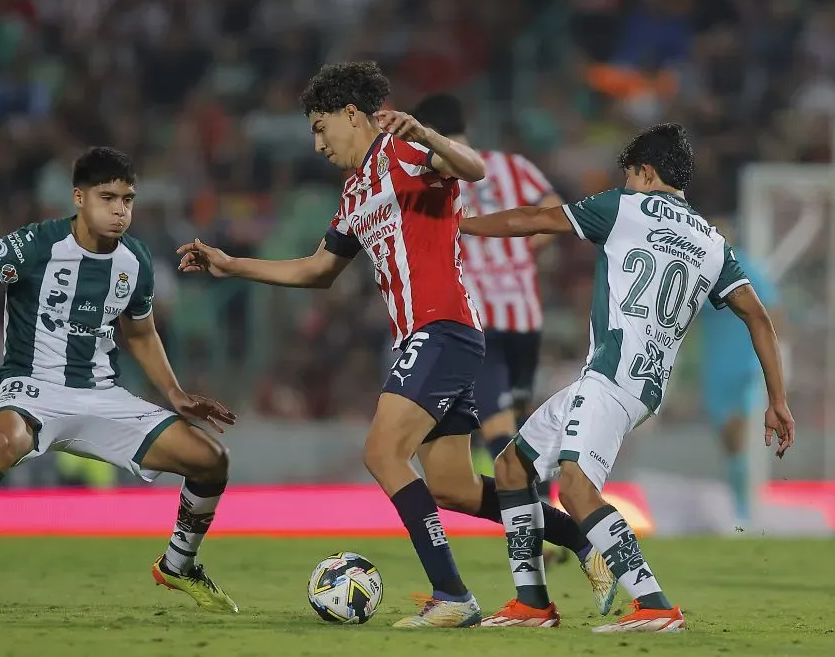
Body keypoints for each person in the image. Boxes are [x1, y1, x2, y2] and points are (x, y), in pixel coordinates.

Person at [176, 61, 616, 628]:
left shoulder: (403, 153)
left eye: (319, 126)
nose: (317, 143)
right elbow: (317, 270)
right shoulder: (355, 192)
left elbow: (474, 168)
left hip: (445, 329)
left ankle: (452, 596)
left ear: (351, 114)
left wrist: (427, 134)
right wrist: (230, 263)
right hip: (434, 339)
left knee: (382, 452)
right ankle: (579, 538)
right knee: (454, 487)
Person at [0, 147, 240, 615]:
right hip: (33, 387)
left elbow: (141, 332)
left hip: (102, 395)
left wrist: (175, 394)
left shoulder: (135, 261)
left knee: (211, 460)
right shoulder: (36, 245)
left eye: (128, 199)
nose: (120, 210)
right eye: (108, 198)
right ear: (79, 198)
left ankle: (178, 565)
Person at [460, 123, 794, 632]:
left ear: (645, 171)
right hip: (638, 385)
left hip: (611, 380)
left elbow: (533, 218)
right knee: (512, 467)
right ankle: (532, 604)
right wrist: (778, 400)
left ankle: (655, 604)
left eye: (629, 174)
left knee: (574, 488)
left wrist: (461, 225)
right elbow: (759, 318)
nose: (627, 181)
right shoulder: (712, 243)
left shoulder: (624, 206)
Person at [413, 93, 570, 566]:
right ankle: (549, 513)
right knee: (519, 426)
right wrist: (521, 252)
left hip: (476, 319)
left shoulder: (431, 174)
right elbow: (556, 212)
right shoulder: (509, 166)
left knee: (500, 428)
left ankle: (538, 529)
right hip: (524, 316)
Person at [697, 218, 782, 529]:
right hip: (714, 369)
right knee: (730, 443)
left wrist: (775, 358)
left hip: (746, 365)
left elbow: (774, 310)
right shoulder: (701, 272)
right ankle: (741, 506)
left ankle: (745, 510)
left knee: (738, 435)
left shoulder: (747, 268)